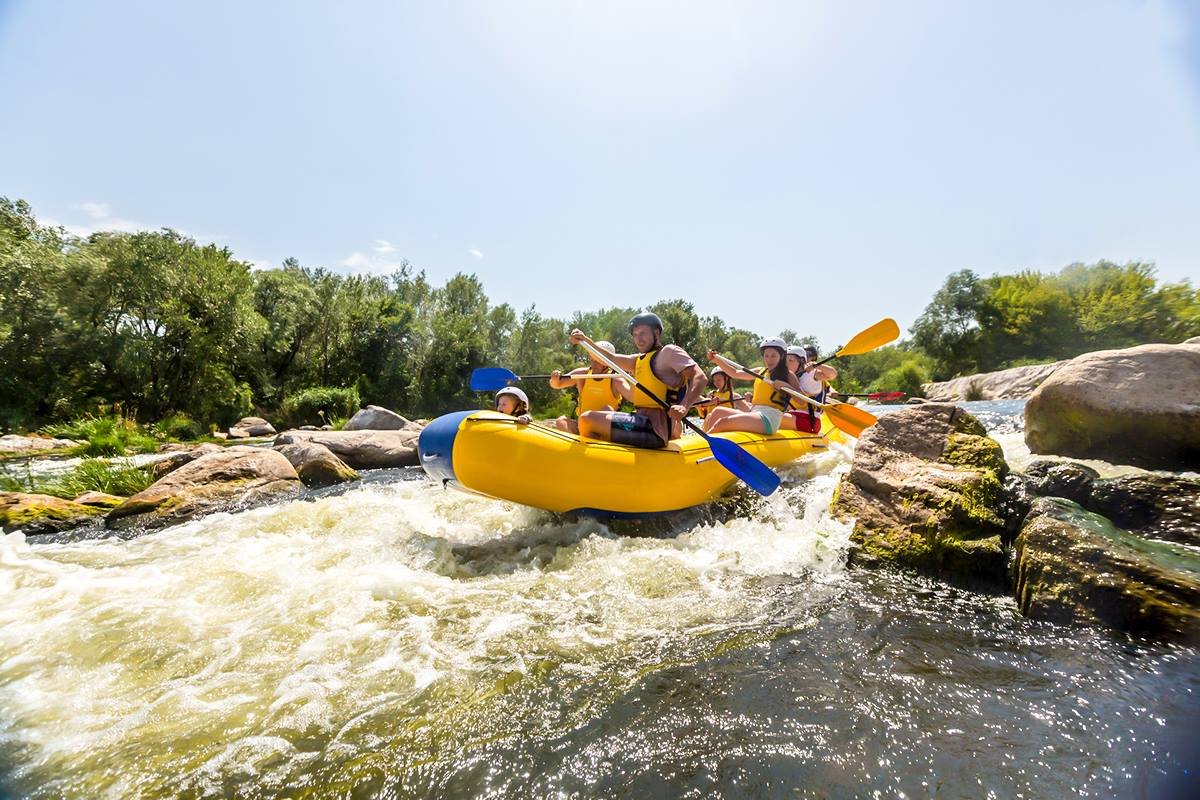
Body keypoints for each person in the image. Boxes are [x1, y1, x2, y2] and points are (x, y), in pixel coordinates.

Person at [568, 312, 707, 448]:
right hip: (640, 421)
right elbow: (610, 358)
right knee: (597, 416)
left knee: (587, 419)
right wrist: (584, 341)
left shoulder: (669, 352)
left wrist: (684, 405)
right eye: (635, 335)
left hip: (655, 428)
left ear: (656, 333)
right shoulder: (638, 360)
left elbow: (700, 377)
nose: (638, 339)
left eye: (642, 333)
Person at [702, 337, 801, 435]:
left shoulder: (788, 374)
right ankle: (707, 442)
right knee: (717, 412)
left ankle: (706, 444)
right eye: (766, 356)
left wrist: (786, 385)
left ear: (782, 356)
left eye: (773, 356)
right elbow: (735, 373)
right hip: (754, 412)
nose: (769, 360)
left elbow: (801, 400)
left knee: (722, 422)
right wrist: (716, 360)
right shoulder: (760, 371)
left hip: (770, 418)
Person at [548, 340, 631, 434]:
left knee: (607, 409)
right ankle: (582, 441)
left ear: (607, 362)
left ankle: (594, 439)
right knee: (561, 421)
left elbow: (632, 396)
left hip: (604, 428)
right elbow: (557, 385)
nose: (593, 363)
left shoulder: (616, 379)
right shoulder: (582, 374)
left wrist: (635, 378)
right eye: (592, 358)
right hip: (582, 425)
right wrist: (554, 379)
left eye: (598, 360)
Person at [781, 344, 839, 432]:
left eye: (791, 360)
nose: (787, 364)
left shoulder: (812, 374)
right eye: (785, 361)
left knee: (772, 416)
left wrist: (817, 366)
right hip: (791, 415)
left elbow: (832, 374)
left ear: (801, 361)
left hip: (808, 418)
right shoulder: (786, 376)